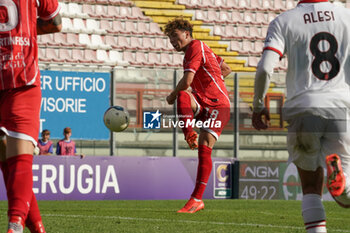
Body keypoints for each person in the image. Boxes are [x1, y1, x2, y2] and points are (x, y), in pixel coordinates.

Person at [252, 0, 350, 232]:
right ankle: (341, 182)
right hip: (341, 107)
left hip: (303, 108)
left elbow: (266, 68)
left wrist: (258, 105)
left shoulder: (283, 21)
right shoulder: (346, 16)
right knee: (345, 193)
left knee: (310, 188)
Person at [0, 0, 61, 231]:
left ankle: (15, 225)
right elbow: (55, 23)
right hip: (22, 76)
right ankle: (28, 227)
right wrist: (23, 29)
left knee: (10, 160)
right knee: (13, 162)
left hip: (15, 81)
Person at [164, 18, 231, 213]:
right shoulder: (201, 49)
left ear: (187, 33)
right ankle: (190, 135)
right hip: (204, 101)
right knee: (185, 96)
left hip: (219, 105)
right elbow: (226, 69)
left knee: (182, 94)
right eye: (170, 39)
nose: (173, 42)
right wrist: (211, 82)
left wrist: (171, 95)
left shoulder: (195, 47)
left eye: (175, 37)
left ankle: (196, 199)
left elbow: (187, 81)